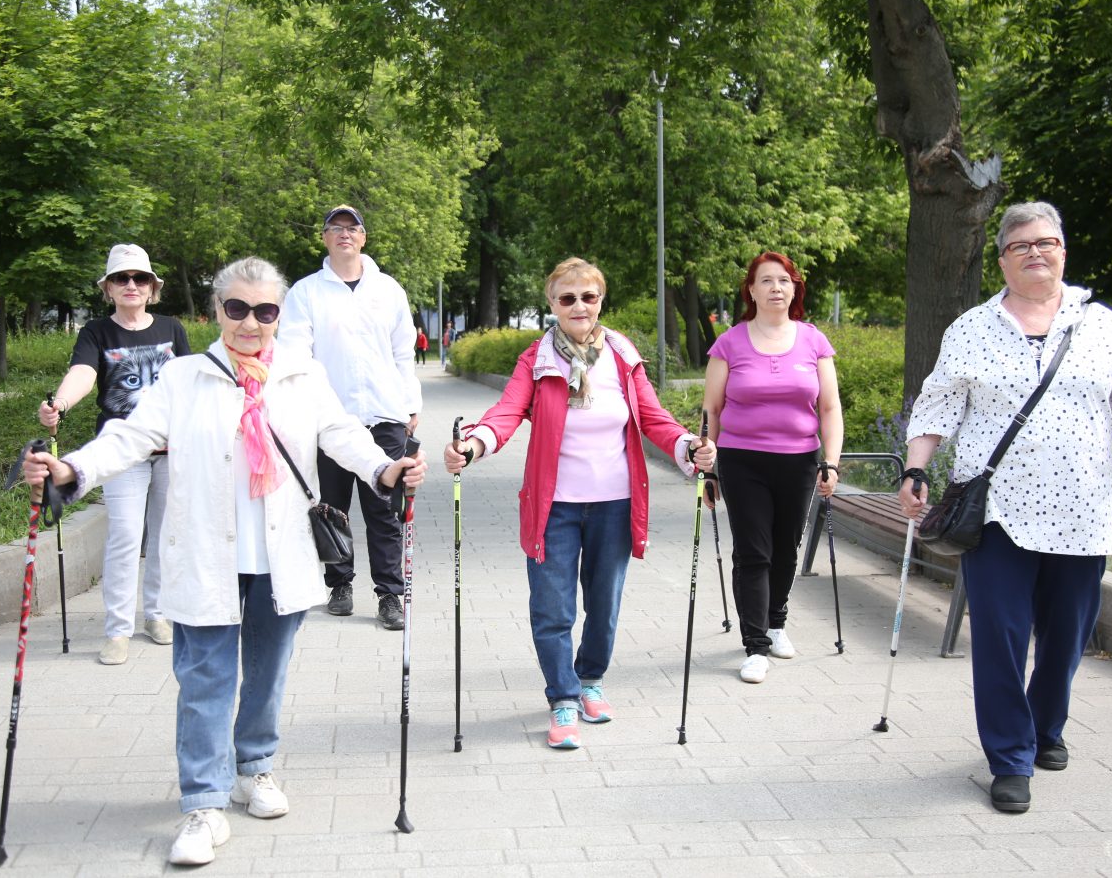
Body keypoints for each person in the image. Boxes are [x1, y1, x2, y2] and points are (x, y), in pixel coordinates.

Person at [21, 256, 427, 867]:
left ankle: (254, 770)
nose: (250, 323)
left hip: (280, 555)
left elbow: (343, 434)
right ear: (216, 311)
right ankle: (203, 803)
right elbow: (129, 438)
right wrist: (72, 469)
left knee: (267, 672)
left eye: (264, 311)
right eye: (237, 309)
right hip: (205, 555)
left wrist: (384, 469)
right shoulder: (184, 378)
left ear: (279, 316)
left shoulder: (302, 374)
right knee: (206, 679)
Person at [897, 201, 1112, 815]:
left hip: (1082, 509)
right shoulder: (971, 328)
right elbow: (937, 407)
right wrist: (917, 467)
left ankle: (1047, 724)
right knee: (1000, 634)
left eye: (1045, 242)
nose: (1034, 252)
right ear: (1001, 259)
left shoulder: (1100, 326)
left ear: (1063, 251)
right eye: (1020, 244)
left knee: (1067, 636)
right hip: (995, 510)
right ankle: (1009, 756)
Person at [443, 258, 717, 750]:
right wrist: (474, 443)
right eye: (567, 298)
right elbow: (507, 411)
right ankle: (563, 697)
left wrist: (687, 446)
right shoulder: (538, 360)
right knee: (552, 609)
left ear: (600, 301)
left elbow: (653, 418)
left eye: (588, 297)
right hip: (555, 507)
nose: (578, 306)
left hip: (614, 502)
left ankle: (591, 680)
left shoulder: (622, 357)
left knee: (604, 605)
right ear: (552, 304)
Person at [38, 244, 190, 665]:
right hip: (123, 451)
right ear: (108, 287)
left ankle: (157, 615)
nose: (131, 285)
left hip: (172, 450)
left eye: (139, 278)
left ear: (151, 287)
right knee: (125, 537)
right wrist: (61, 405)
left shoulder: (172, 328)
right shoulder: (96, 332)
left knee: (164, 537)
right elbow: (83, 374)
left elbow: (193, 383)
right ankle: (118, 629)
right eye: (121, 278)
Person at [278, 205, 421, 630]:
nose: (344, 234)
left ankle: (390, 595)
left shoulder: (389, 290)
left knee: (384, 510)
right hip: (328, 421)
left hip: (384, 416)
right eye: (335, 228)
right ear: (324, 238)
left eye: (352, 228)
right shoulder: (306, 292)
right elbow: (295, 352)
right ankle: (338, 584)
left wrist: (411, 403)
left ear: (363, 237)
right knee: (330, 507)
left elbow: (403, 352)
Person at [702, 251, 843, 685]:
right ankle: (755, 644)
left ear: (795, 288)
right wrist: (708, 469)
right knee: (754, 551)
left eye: (784, 280)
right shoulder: (729, 342)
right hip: (743, 461)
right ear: (751, 290)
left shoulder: (813, 341)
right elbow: (711, 409)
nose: (776, 287)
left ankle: (776, 622)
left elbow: (830, 407)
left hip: (799, 460)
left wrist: (831, 463)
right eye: (766, 280)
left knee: (786, 549)